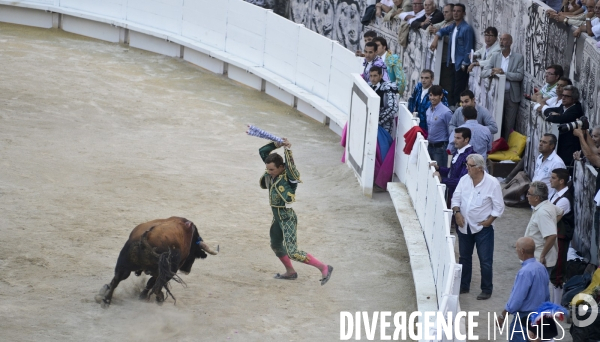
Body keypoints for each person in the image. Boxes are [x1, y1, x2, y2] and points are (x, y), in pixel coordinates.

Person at [258, 138, 333, 285]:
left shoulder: (289, 177)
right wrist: (277, 144)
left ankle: (324, 267)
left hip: (287, 218)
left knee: (293, 251)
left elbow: (291, 167)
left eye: (272, 169)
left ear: (281, 167)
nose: (269, 172)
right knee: (276, 244)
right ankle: (291, 272)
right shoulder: (272, 172)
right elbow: (263, 151)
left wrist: (287, 151)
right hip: (277, 218)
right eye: (268, 169)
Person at [452, 154, 505, 300]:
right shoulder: (464, 180)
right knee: (464, 258)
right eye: (466, 165)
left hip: (484, 228)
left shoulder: (492, 183)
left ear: (480, 168)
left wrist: (489, 221)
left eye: (470, 166)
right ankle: (464, 285)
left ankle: (487, 289)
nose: (467, 168)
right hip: (465, 225)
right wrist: (457, 213)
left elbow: (499, 206)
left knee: (485, 260)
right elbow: (455, 198)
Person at [496, 237, 550, 342]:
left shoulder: (524, 272)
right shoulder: (541, 268)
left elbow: (516, 299)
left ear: (522, 251)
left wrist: (503, 315)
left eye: (516, 249)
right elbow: (547, 294)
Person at [480, 34, 524, 140]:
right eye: (500, 39)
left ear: (510, 42)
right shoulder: (495, 56)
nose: (501, 42)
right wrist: (493, 71)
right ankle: (494, 143)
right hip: (496, 95)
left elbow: (519, 76)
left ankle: (506, 146)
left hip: (511, 95)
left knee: (509, 123)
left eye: (504, 40)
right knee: (495, 120)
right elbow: (483, 73)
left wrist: (504, 73)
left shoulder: (518, 57)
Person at [430, 3, 475, 107]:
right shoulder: (454, 26)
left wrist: (465, 64)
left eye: (458, 11)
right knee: (452, 89)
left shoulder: (466, 28)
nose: (455, 13)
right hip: (453, 63)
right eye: (454, 11)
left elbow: (468, 48)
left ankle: (457, 110)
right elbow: (442, 30)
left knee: (458, 91)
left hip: (461, 65)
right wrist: (436, 38)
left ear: (463, 13)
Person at [524, 181, 563, 277]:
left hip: (539, 260)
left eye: (529, 194)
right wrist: (549, 225)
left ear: (537, 198)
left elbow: (552, 235)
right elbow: (560, 212)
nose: (526, 196)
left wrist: (542, 255)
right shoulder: (547, 205)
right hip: (538, 259)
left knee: (536, 290)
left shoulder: (543, 212)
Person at [370, 66, 399, 190]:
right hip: (372, 125)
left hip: (384, 127)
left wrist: (377, 120)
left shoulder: (387, 88)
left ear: (381, 76)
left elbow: (393, 108)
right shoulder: (369, 86)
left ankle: (381, 181)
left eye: (375, 76)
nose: (373, 78)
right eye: (371, 76)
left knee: (382, 153)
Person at [549, 168, 574, 304]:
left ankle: (556, 306)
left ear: (561, 181)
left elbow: (552, 219)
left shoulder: (564, 200)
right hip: (556, 236)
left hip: (560, 238)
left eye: (553, 178)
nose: (550, 180)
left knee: (558, 271)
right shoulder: (558, 194)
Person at [542, 85, 585, 167]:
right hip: (561, 146)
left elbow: (558, 119)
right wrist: (552, 114)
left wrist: (554, 116)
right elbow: (548, 110)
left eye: (567, 96)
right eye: (562, 95)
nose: (563, 98)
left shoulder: (575, 110)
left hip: (569, 149)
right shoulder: (564, 106)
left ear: (574, 98)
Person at [431, 127, 474, 203]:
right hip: (453, 193)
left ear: (466, 139)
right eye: (455, 137)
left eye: (458, 138)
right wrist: (439, 168)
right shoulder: (459, 152)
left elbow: (462, 181)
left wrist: (442, 180)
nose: (455, 140)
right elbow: (452, 171)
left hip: (462, 197)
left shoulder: (470, 157)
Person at [426, 85, 453, 167]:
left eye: (435, 95)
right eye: (431, 95)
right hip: (429, 146)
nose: (432, 98)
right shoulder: (428, 110)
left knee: (439, 173)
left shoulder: (446, 112)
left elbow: (451, 131)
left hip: (440, 148)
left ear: (441, 96)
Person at [532, 134, 566, 198]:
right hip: (535, 198)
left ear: (552, 146)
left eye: (544, 142)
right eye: (540, 141)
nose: (540, 144)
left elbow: (560, 185)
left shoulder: (557, 163)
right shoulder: (539, 157)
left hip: (547, 200)